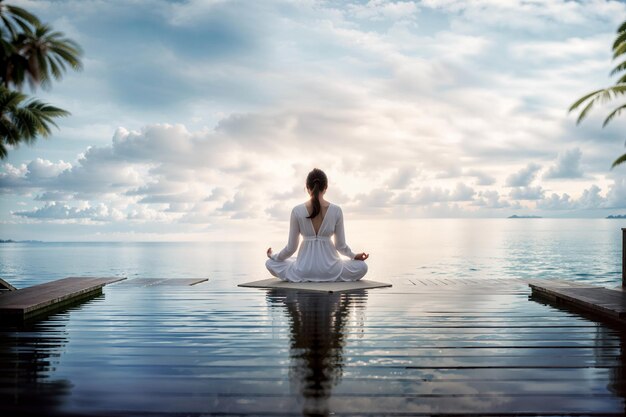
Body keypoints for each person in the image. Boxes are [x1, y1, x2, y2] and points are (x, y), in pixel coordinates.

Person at [265, 168, 369, 282]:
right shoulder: (336, 210)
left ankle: (302, 273)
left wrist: (274, 256)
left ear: (307, 188)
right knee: (362, 267)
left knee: (270, 263)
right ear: (325, 188)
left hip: (303, 271)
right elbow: (340, 246)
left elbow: (291, 248)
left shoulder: (297, 211)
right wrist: (354, 256)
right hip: (331, 271)